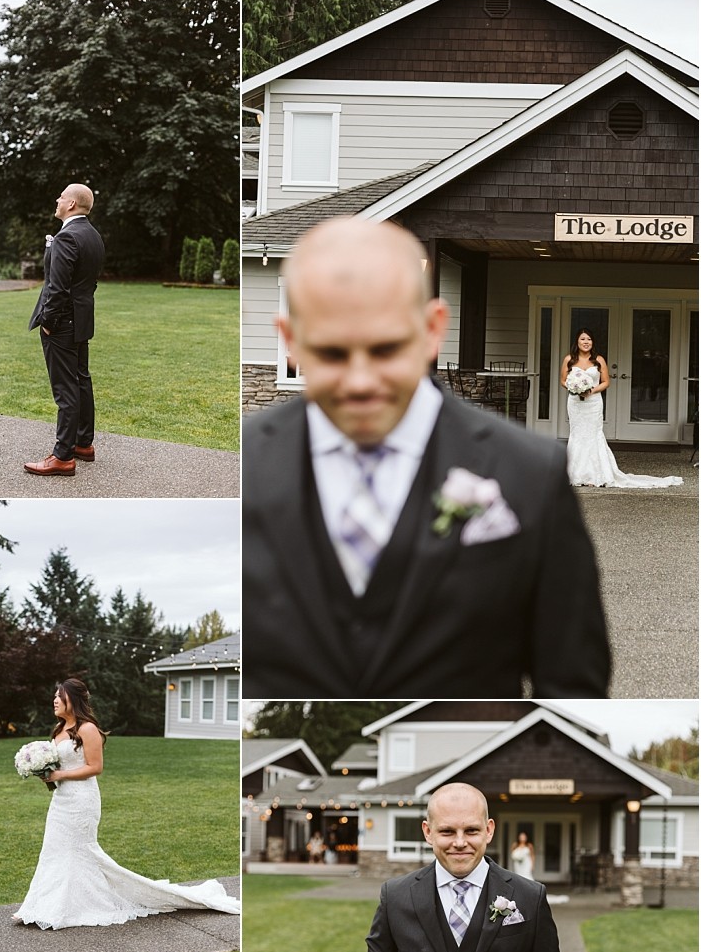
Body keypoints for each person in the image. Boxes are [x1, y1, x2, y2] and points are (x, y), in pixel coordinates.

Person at [243, 217, 610, 698]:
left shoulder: (530, 472)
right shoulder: (247, 465)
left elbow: (570, 683)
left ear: (433, 330)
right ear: (290, 339)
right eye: (331, 353)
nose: (360, 382)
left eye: (386, 349)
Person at [13, 678, 240, 929]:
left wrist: (60, 775)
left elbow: (95, 767)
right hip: (61, 799)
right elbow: (60, 764)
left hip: (82, 800)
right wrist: (44, 771)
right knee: (54, 849)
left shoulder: (87, 729)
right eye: (54, 695)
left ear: (73, 700)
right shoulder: (58, 730)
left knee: (78, 850)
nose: (54, 700)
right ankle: (43, 905)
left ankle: (72, 907)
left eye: (59, 695)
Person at [363, 783, 564, 952]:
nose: (460, 843)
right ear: (428, 832)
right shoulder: (394, 898)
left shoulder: (531, 897)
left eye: (471, 830)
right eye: (447, 831)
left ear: (488, 830)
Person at [24, 184, 105, 477]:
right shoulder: (93, 235)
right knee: (81, 379)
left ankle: (62, 456)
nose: (57, 200)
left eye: (61, 197)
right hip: (82, 319)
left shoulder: (67, 237)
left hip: (62, 324)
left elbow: (57, 288)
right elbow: (89, 283)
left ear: (71, 204)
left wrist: (48, 321)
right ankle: (83, 443)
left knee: (65, 388)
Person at [560, 330, 683, 488]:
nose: (586, 342)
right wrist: (574, 388)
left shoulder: (598, 360)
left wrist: (591, 390)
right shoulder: (569, 359)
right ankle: (574, 473)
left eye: (589, 339)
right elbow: (563, 380)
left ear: (593, 342)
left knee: (593, 434)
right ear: (576, 342)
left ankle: (595, 475)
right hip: (575, 403)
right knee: (577, 434)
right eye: (582, 339)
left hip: (593, 403)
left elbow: (606, 382)